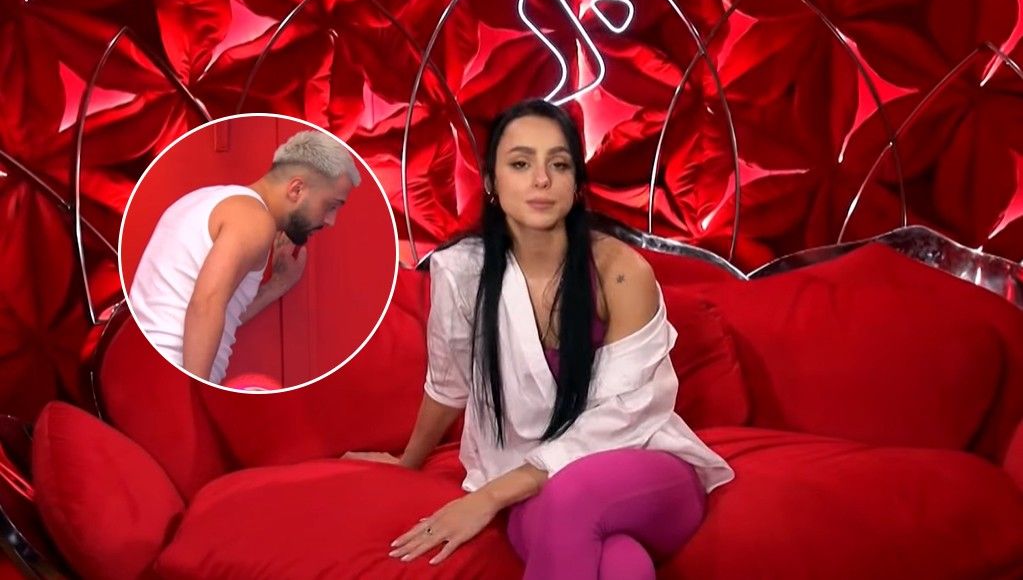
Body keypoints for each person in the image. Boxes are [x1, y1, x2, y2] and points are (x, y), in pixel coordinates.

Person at [345, 99, 733, 578]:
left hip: (644, 465)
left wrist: (490, 496)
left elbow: (629, 412)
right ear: (491, 182)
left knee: (572, 495)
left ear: (576, 184)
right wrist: (408, 462)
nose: (542, 179)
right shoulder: (463, 273)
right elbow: (448, 384)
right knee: (620, 563)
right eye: (521, 163)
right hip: (530, 485)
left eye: (559, 164)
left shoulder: (620, 272)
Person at [129, 130, 361, 384]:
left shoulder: (209, 200)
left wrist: (277, 285)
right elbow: (206, 304)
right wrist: (195, 394)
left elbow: (220, 312)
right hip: (169, 378)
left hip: (144, 368)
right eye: (331, 205)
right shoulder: (254, 221)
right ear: (296, 189)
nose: (331, 220)